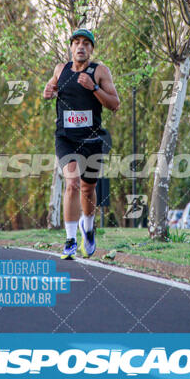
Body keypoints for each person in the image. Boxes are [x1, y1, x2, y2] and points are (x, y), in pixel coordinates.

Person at [43, 29, 120, 259]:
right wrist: (48, 92)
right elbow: (49, 89)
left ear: (91, 49)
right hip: (65, 138)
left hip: (92, 139)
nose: (81, 47)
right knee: (73, 183)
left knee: (88, 188)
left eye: (86, 43)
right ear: (71, 47)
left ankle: (88, 227)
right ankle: (70, 240)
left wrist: (94, 88)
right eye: (76, 42)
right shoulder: (61, 69)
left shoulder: (99, 71)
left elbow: (115, 104)